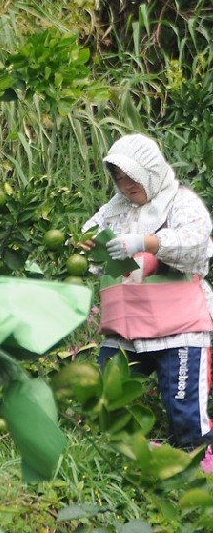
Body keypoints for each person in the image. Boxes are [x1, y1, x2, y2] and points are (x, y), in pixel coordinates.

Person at [79, 133, 213, 450]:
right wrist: (87, 245)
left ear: (150, 172)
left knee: (186, 416)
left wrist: (148, 243)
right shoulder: (114, 211)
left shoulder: (180, 202)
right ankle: (118, 466)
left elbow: (196, 245)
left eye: (133, 178)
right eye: (120, 179)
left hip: (178, 328)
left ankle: (198, 476)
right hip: (126, 326)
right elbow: (96, 253)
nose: (127, 186)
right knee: (109, 401)